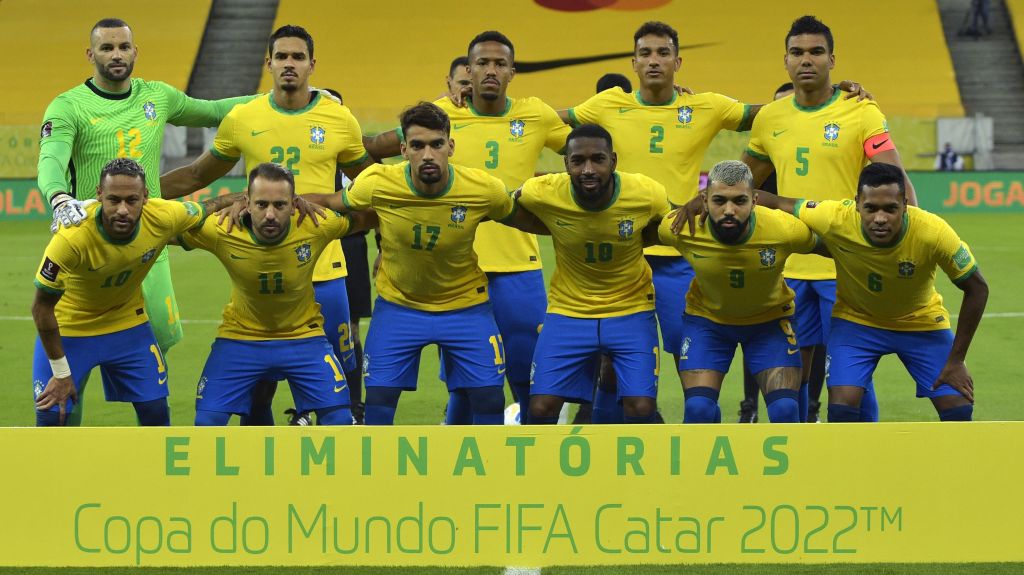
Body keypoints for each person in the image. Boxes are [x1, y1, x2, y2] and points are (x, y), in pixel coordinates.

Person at [560, 21, 869, 423]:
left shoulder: (705, 105)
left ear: (678, 61)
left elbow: (775, 113)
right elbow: (538, 122)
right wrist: (459, 103)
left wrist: (836, 95)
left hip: (678, 248)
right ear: (634, 62)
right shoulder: (604, 105)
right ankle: (606, 427)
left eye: (663, 53)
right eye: (647, 54)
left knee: (681, 352)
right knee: (610, 359)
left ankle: (672, 423)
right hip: (623, 251)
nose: (655, 61)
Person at [37, 17, 253, 424]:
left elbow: (214, 111)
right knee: (71, 337)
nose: (116, 54)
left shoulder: (158, 96)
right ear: (91, 55)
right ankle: (63, 423)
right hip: (89, 242)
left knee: (162, 333)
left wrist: (277, 98)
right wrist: (59, 196)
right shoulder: (67, 106)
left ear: (135, 52)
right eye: (106, 48)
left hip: (147, 240)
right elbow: (51, 158)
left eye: (123, 47)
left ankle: (147, 424)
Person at [160, 25, 376, 425]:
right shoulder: (244, 118)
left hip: (325, 264)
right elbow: (194, 175)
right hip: (263, 259)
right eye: (282, 57)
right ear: (269, 64)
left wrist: (386, 238)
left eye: (297, 57)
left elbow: (371, 184)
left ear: (312, 64)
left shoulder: (338, 118)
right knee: (259, 382)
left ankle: (345, 434)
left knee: (343, 368)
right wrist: (142, 198)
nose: (289, 64)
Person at [364, 32, 570, 425]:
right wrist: (387, 237)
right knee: (466, 380)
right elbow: (372, 150)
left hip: (516, 266)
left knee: (526, 372)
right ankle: (458, 448)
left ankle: (530, 458)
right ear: (467, 70)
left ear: (512, 71)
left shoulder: (536, 115)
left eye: (498, 64)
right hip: (450, 272)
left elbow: (585, 154)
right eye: (482, 64)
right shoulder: (440, 118)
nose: (490, 70)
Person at [312, 102, 547, 425]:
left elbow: (526, 220)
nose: (428, 154)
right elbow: (329, 202)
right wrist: (264, 202)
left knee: (489, 398)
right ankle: (380, 474)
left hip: (466, 306)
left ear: (450, 146)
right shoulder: (378, 182)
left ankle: (489, 473)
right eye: (418, 146)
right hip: (399, 306)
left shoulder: (482, 188)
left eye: (436, 144)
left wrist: (579, 226)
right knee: (379, 399)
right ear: (404, 149)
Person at [740, 16, 916, 423]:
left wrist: (910, 232)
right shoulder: (770, 118)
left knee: (850, 376)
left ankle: (861, 455)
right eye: (798, 52)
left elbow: (896, 180)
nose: (807, 60)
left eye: (816, 52)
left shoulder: (860, 109)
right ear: (785, 61)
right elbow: (743, 181)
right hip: (785, 267)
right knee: (792, 377)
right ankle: (802, 457)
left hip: (845, 265)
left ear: (832, 59)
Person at [758, 163, 988, 422]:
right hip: (857, 322)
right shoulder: (834, 216)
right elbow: (777, 203)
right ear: (857, 204)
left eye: (890, 208)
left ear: (905, 204)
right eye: (871, 208)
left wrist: (956, 360)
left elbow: (978, 288)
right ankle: (850, 463)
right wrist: (707, 202)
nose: (880, 218)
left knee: (958, 408)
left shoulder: (932, 231)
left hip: (920, 322)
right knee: (842, 407)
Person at [31, 158, 233, 426]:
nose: (123, 210)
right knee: (51, 413)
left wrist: (247, 199)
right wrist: (61, 372)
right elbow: (41, 309)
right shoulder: (71, 237)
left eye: (132, 200)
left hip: (127, 324)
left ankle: (153, 469)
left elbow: (210, 207)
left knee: (155, 412)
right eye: (114, 200)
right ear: (99, 195)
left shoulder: (165, 215)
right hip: (71, 329)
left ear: (146, 198)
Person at [177, 163, 377, 426]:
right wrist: (223, 202)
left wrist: (317, 201)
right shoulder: (223, 229)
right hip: (241, 338)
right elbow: (162, 225)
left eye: (280, 205)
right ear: (246, 203)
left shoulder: (315, 224)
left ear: (294, 204)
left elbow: (372, 216)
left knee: (339, 419)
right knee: (206, 423)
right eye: (261, 205)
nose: (270, 214)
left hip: (303, 338)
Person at [518, 124, 668, 424]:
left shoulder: (647, 194)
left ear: (613, 161)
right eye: (578, 161)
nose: (588, 169)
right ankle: (543, 470)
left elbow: (669, 226)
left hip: (631, 308)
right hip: (568, 311)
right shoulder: (542, 192)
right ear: (566, 164)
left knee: (640, 408)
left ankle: (634, 467)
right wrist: (555, 228)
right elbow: (501, 207)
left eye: (598, 159)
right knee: (540, 409)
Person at [659, 160, 821, 423]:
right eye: (719, 201)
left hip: (769, 323)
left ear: (755, 200)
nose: (729, 210)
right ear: (704, 199)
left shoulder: (784, 229)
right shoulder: (680, 227)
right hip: (707, 322)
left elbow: (832, 247)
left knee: (784, 411)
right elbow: (639, 237)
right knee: (698, 409)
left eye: (740, 201)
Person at [737, 81, 793, 424]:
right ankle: (749, 406)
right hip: (759, 248)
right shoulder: (757, 161)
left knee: (809, 340)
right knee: (753, 325)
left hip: (798, 246)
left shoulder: (802, 155)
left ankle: (810, 408)